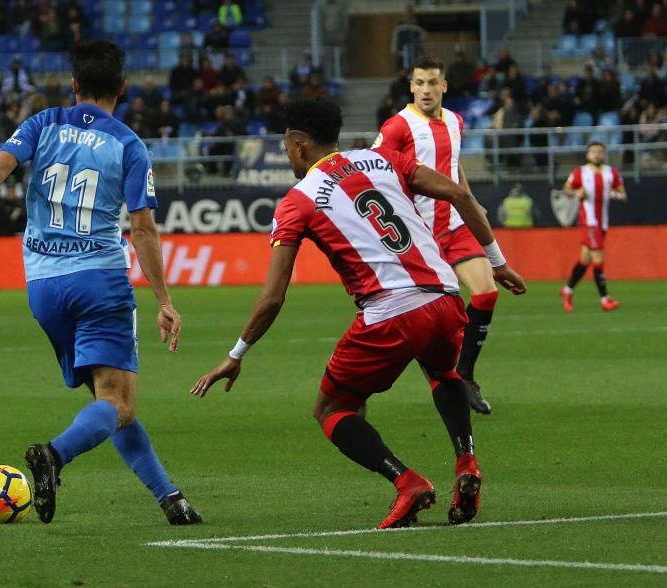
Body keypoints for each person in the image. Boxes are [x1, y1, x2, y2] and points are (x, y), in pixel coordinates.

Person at [190, 96, 526, 530]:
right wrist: (496, 262)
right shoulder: (383, 158)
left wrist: (236, 354)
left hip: (392, 310)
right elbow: (460, 193)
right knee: (443, 373)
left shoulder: (298, 201)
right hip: (444, 296)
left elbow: (273, 297)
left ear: (297, 145)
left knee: (331, 407)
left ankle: (407, 483)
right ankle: (467, 463)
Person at [0, 40, 201, 526]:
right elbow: (141, 228)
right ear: (122, 87)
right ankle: (53, 456)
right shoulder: (128, 144)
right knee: (116, 404)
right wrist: (164, 299)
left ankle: (170, 498)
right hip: (98, 280)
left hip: (43, 288)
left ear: (74, 85)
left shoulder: (42, 123)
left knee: (108, 403)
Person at [374, 56, 510, 415]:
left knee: (486, 293)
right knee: (429, 322)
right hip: (419, 238)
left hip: (453, 225)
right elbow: (376, 175)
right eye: (420, 83)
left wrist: (470, 201)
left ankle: (465, 375)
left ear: (444, 86)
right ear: (411, 87)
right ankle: (373, 385)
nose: (426, 90)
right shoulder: (396, 128)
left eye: (433, 82)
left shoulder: (455, 121)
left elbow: (453, 165)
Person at [560, 141, 626, 312]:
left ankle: (567, 290)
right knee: (598, 259)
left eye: (599, 151)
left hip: (603, 222)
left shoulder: (612, 173)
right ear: (588, 155)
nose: (596, 154)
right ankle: (605, 299)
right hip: (589, 222)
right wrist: (576, 192)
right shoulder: (580, 172)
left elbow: (623, 194)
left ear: (604, 154)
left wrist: (611, 193)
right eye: (593, 151)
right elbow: (566, 189)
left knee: (585, 260)